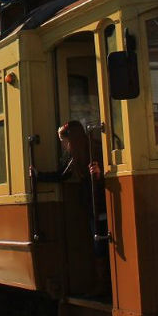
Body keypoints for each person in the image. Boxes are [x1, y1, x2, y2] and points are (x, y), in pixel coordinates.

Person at [57, 121, 109, 297]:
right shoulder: (77, 157)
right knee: (98, 245)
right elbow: (62, 176)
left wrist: (100, 176)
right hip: (93, 206)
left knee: (100, 245)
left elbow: (106, 176)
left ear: (71, 140)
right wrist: (38, 175)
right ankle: (102, 284)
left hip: (100, 205)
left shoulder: (94, 151)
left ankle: (103, 286)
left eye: (64, 142)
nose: (64, 146)